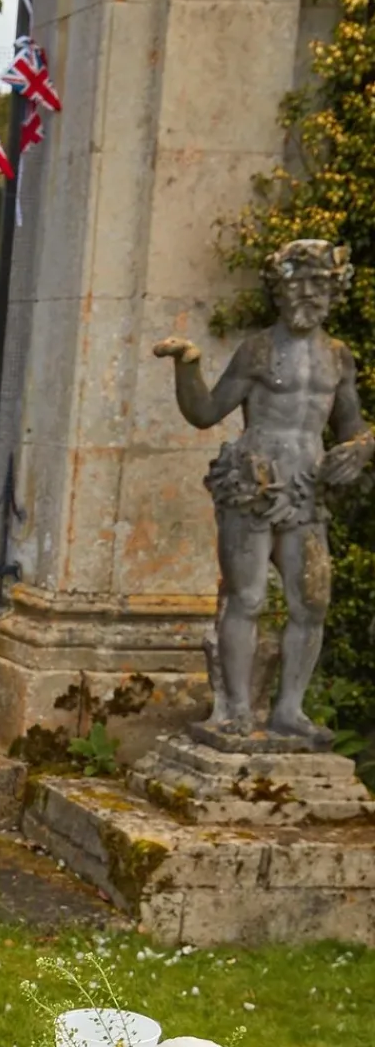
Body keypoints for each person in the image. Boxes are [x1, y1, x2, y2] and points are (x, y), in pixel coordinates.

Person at [154, 241, 374, 744]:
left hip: (306, 489)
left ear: (334, 292)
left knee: (311, 601)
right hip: (252, 483)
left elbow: (352, 426)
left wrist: (363, 449)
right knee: (246, 596)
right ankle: (233, 710)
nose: (307, 295)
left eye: (318, 285)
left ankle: (289, 711)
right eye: (296, 284)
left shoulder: (338, 358)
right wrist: (187, 368)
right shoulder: (257, 350)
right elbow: (206, 412)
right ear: (279, 291)